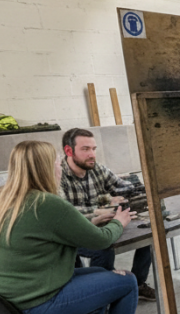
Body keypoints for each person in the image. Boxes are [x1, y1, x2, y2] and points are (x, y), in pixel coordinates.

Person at [0, 140, 158, 314]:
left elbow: (41, 232)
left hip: (1, 312)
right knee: (127, 281)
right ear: (45, 168)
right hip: (34, 312)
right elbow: (101, 240)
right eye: (57, 163)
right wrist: (118, 222)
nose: (60, 168)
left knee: (100, 274)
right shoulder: (46, 203)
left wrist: (89, 221)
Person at [58, 128, 157, 302]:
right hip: (71, 233)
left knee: (148, 233)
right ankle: (101, 296)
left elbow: (124, 186)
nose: (92, 154)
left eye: (94, 149)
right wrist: (98, 210)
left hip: (101, 224)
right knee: (103, 247)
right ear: (69, 151)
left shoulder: (97, 169)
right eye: (85, 149)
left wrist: (130, 191)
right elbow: (64, 213)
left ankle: (138, 283)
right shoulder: (58, 175)